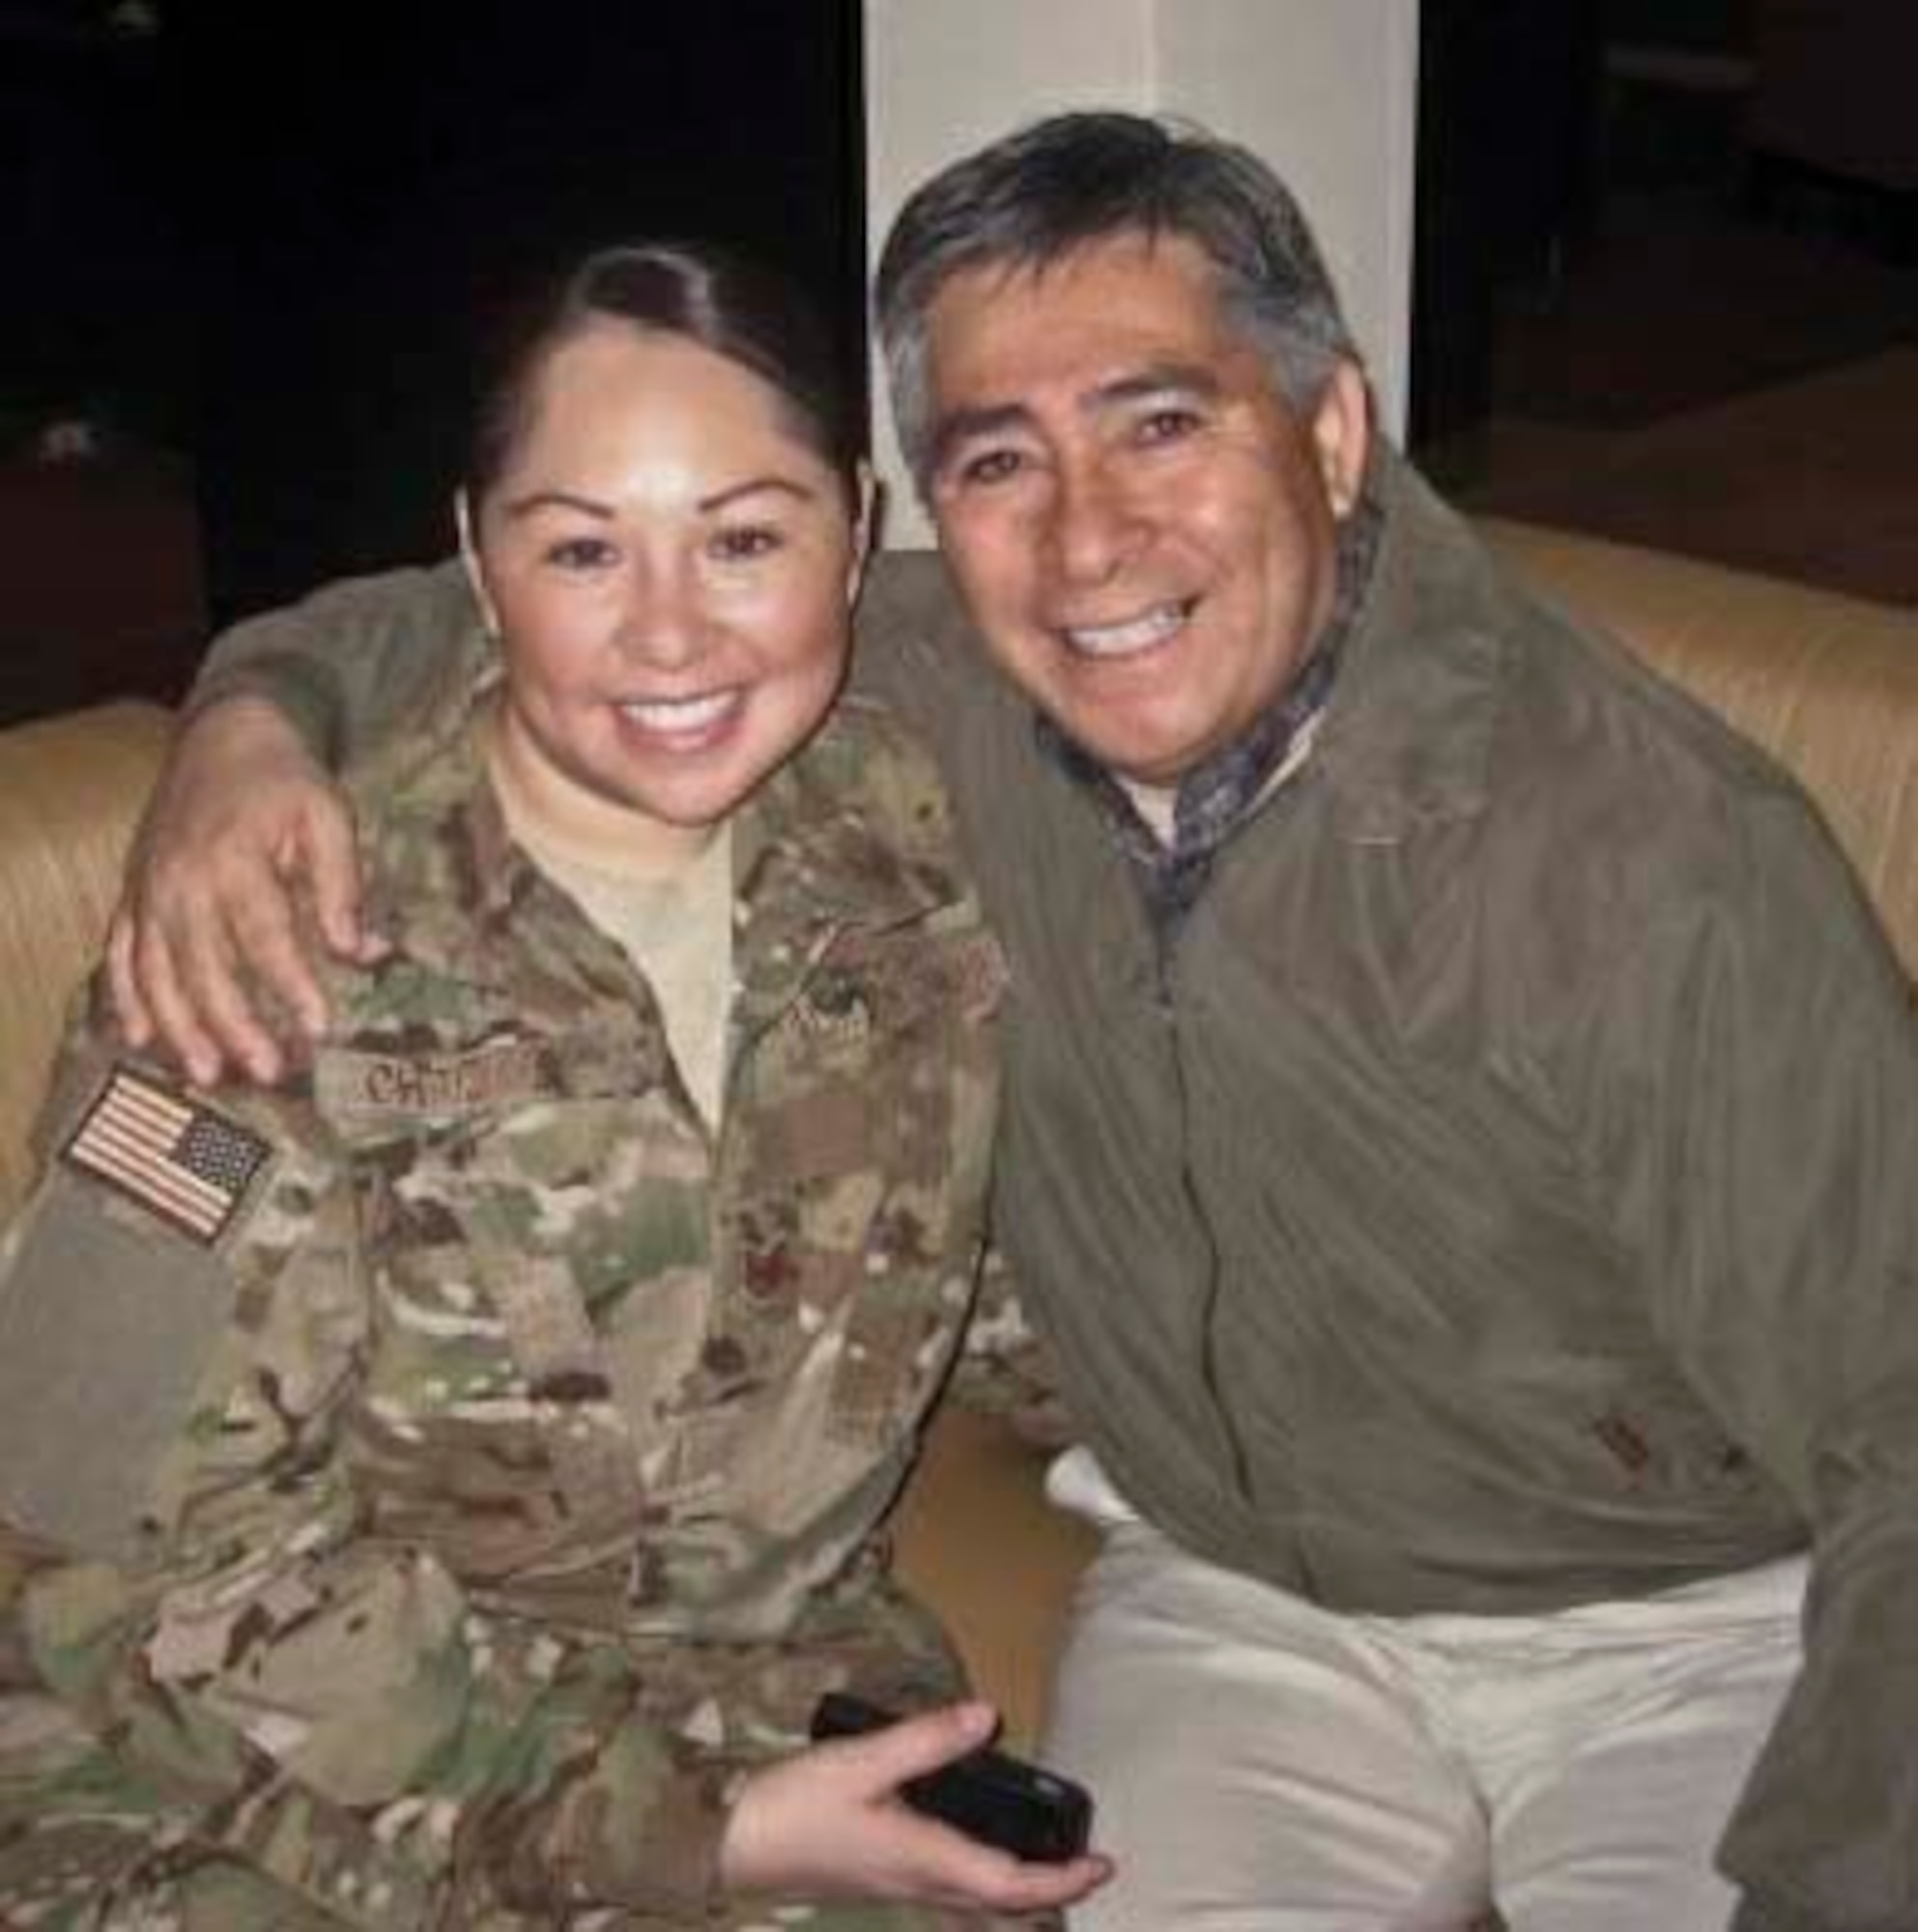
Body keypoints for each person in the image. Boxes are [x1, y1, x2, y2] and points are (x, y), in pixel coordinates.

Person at [104, 112, 1918, 1932]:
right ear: (923, 514)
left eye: (1159, 423)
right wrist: (253, 714)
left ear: (1332, 430)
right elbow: (95, 1519)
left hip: (1668, 1632)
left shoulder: (1630, 860)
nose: (1088, 544)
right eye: (1001, 460)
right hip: (1202, 1609)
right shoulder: (836, 728)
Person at [0, 239, 1113, 1929]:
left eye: (744, 539)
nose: (669, 633)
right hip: (240, 1766)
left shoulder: (903, 840)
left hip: (752, 1692)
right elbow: (117, 1562)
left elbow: (973, 1260)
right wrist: (678, 1837)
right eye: (582, 548)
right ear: (471, 558)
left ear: (856, 532)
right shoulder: (262, 942)